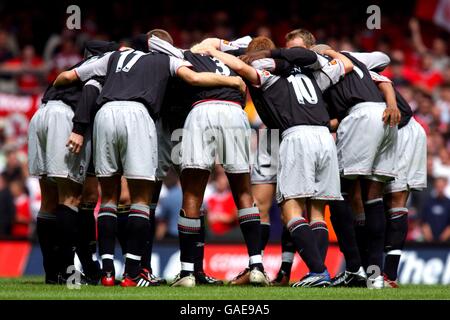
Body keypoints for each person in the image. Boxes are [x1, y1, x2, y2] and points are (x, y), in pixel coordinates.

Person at [55, 38, 246, 287]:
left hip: (107, 114)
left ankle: (108, 272)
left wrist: (53, 88)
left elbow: (68, 77)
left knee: (109, 198)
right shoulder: (165, 58)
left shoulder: (113, 57)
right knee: (143, 200)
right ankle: (136, 272)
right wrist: (232, 80)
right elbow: (195, 79)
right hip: (146, 118)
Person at [193, 36, 354, 287]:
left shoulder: (268, 74)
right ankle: (317, 274)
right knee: (317, 213)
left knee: (288, 208)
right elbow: (345, 65)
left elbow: (242, 68)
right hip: (324, 137)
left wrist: (215, 51)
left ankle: (316, 270)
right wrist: (326, 51)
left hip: (294, 135)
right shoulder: (314, 75)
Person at [149, 35, 267, 287]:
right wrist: (220, 46)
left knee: (192, 194)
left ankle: (188, 272)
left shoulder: (187, 56)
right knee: (244, 192)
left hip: (202, 110)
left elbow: (153, 42)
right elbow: (248, 41)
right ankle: (256, 266)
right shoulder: (235, 55)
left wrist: (196, 48)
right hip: (235, 113)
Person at [421, 177, 450, 243]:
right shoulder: (428, 202)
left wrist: (442, 239)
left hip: (446, 243)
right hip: (429, 242)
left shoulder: (448, 203)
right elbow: (424, 222)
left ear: (445, 185)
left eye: (441, 186)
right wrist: (429, 238)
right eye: (438, 186)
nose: (440, 189)